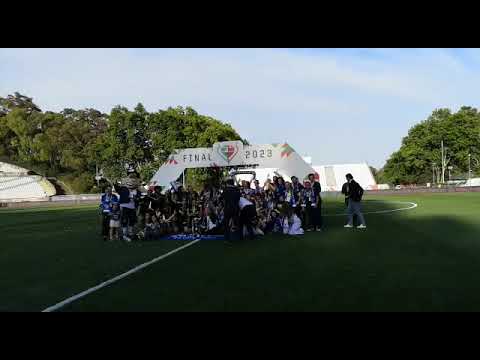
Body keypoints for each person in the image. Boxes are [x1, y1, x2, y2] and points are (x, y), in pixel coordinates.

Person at [220, 178, 241, 243]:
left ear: (228, 184)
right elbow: (239, 198)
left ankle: (227, 239)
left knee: (226, 224)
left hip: (228, 208)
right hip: (235, 208)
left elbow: (221, 198)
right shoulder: (237, 189)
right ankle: (239, 237)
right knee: (237, 223)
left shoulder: (225, 190)